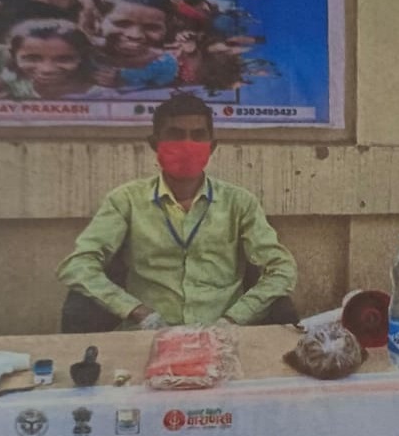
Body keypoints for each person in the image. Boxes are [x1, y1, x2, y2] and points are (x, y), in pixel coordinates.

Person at [56, 94, 297, 329]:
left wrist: (235, 318)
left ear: (212, 146)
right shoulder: (125, 200)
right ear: (154, 143)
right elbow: (77, 265)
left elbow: (282, 268)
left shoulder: (240, 203)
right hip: (148, 333)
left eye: (198, 136)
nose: (187, 145)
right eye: (175, 135)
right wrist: (135, 311)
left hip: (222, 334)